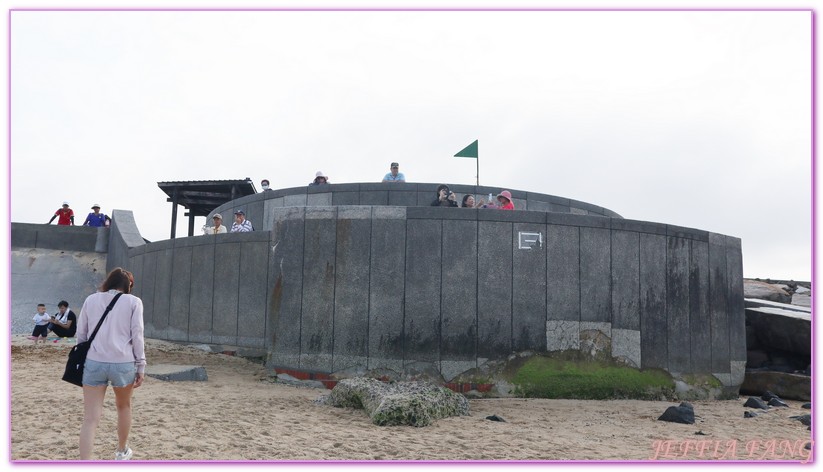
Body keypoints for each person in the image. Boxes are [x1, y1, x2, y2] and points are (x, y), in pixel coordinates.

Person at [77, 267, 145, 461]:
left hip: (94, 361)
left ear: (109, 281)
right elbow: (137, 335)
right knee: (124, 407)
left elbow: (81, 334)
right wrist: (141, 365)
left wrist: (83, 358)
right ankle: (122, 451)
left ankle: (85, 462)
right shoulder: (134, 302)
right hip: (123, 363)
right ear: (128, 285)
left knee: (90, 418)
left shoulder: (91, 299)